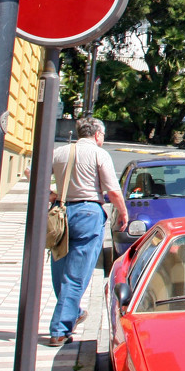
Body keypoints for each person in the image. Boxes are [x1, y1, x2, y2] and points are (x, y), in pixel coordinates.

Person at [48, 117, 128, 346]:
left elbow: (30, 172)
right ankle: (59, 329)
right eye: (103, 135)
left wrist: (51, 195)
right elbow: (112, 190)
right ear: (97, 134)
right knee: (77, 274)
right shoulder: (99, 154)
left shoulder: (59, 152)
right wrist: (123, 213)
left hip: (61, 211)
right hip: (88, 212)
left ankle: (70, 313)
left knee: (60, 267)